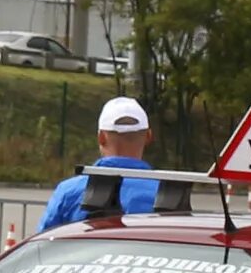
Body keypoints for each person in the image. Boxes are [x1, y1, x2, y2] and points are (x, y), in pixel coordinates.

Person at [35, 96, 160, 231]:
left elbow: (42, 245)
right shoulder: (169, 194)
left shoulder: (68, 192)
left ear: (101, 137)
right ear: (148, 136)